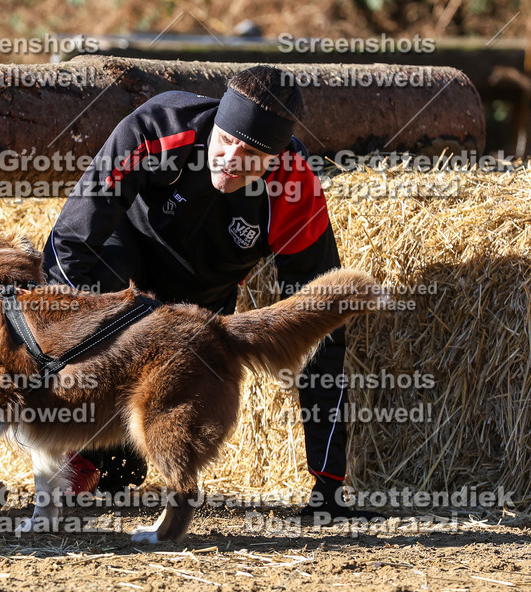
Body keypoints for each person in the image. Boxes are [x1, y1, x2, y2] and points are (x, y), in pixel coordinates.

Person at [43, 65, 379, 522]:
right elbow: (69, 244)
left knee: (129, 469)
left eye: (250, 156)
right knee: (97, 293)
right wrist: (63, 371)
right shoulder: (160, 127)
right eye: (225, 142)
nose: (229, 160)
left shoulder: (293, 188)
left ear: (275, 159)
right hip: (121, 268)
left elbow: (321, 326)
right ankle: (79, 455)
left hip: (198, 304)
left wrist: (329, 486)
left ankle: (109, 460)